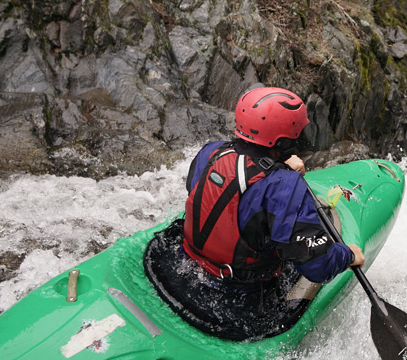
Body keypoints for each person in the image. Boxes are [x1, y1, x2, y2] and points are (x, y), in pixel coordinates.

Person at [143, 86, 365, 341]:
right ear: (284, 142)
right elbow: (319, 267)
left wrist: (278, 167)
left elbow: (218, 189)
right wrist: (348, 255)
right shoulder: (284, 189)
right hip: (236, 296)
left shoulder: (211, 152)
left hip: (181, 266)